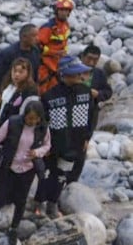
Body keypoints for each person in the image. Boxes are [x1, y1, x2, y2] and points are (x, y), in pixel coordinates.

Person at [0, 98, 51, 245]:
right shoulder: (12, 122)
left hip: (27, 169)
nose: (31, 121)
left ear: (40, 118)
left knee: (21, 201)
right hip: (8, 166)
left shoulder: (43, 128)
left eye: (35, 119)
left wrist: (37, 153)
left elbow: (47, 146)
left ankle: (14, 229)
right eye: (29, 118)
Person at [35, 55, 93, 219]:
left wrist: (87, 137)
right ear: (64, 74)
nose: (79, 77)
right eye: (75, 74)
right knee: (46, 174)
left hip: (76, 145)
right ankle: (39, 202)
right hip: (53, 145)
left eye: (79, 74)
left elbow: (91, 117)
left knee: (62, 175)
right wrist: (43, 144)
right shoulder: (49, 97)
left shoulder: (85, 92)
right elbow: (43, 124)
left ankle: (53, 204)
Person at [37, 0, 74, 94]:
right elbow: (37, 47)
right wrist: (54, 52)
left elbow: (64, 43)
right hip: (44, 65)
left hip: (57, 65)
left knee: (54, 90)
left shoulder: (66, 26)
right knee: (41, 90)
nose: (63, 13)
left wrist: (64, 55)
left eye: (66, 10)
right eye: (61, 10)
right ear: (56, 11)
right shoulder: (48, 28)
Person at [0, 24, 41, 90]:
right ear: (24, 37)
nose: (37, 38)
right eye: (34, 36)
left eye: (37, 35)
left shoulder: (36, 51)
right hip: (10, 89)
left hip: (29, 89)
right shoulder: (7, 53)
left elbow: (36, 73)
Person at [80, 44, 113, 132]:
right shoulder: (72, 72)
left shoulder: (100, 74)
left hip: (91, 111)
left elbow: (108, 92)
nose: (91, 62)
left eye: (95, 60)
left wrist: (98, 94)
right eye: (89, 58)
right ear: (82, 57)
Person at [0, 57, 39, 124]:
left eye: (21, 72)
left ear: (28, 73)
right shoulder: (8, 87)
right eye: (14, 71)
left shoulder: (30, 92)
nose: (17, 74)